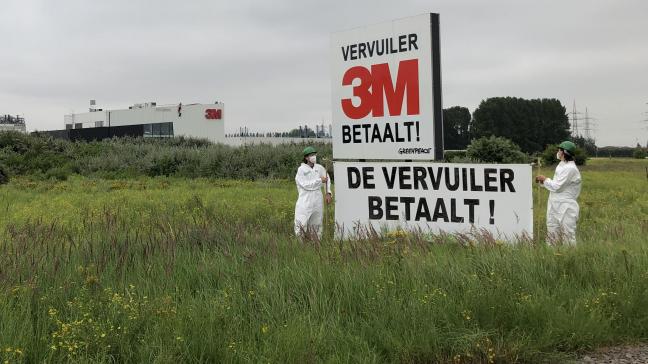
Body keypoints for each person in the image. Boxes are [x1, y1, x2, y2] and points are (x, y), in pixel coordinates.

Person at [535, 141, 582, 245]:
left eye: (560, 150)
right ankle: (551, 257)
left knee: (568, 235)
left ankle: (570, 258)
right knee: (551, 233)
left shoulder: (570, 168)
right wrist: (543, 182)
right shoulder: (561, 165)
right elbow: (556, 184)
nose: (558, 152)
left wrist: (545, 179)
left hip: (566, 206)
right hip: (554, 204)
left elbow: (557, 187)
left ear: (565, 152)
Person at [294, 146, 332, 238]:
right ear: (306, 157)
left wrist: (328, 193)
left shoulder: (319, 168)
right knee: (301, 223)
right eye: (311, 155)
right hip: (305, 201)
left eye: (314, 154)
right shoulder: (301, 170)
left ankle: (316, 245)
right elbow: (305, 185)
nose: (314, 156)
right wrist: (319, 181)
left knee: (317, 223)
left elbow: (327, 180)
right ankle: (300, 245)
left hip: (317, 199)